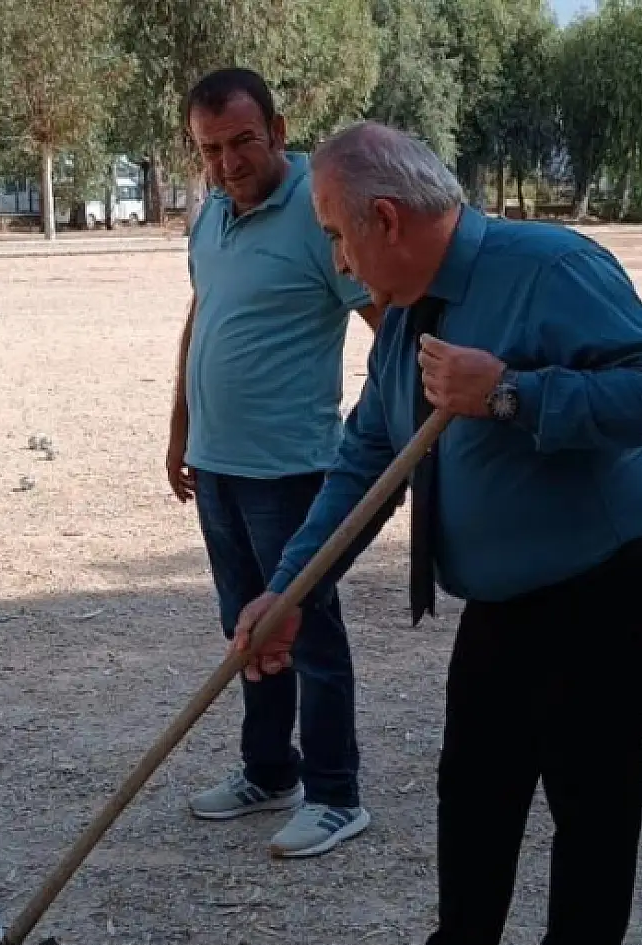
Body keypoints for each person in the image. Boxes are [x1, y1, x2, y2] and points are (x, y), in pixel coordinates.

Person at [234, 122, 642, 945]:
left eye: (334, 234)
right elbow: (366, 458)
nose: (334, 257)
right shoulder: (403, 316)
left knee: (588, 803)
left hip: (607, 586)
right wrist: (290, 589)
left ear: (386, 219)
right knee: (474, 788)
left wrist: (517, 395)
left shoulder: (552, 266)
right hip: (503, 599)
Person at [169, 68, 380, 859]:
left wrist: (386, 424)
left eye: (243, 142)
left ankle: (335, 793)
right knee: (246, 631)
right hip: (216, 466)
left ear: (279, 132)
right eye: (210, 149)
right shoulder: (211, 216)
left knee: (309, 631)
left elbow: (383, 316)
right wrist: (179, 429)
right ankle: (269, 770)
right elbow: (200, 321)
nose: (228, 163)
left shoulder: (319, 214)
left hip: (292, 469)